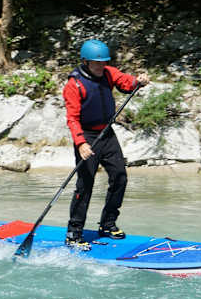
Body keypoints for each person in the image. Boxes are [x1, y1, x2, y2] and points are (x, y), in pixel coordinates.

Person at [62, 39, 149, 251]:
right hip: (87, 137)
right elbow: (72, 118)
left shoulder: (109, 73)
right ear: (85, 61)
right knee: (86, 184)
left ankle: (108, 224)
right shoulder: (74, 85)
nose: (100, 66)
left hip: (107, 134)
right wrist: (81, 143)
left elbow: (126, 83)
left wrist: (138, 80)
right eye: (96, 63)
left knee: (120, 177)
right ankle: (74, 233)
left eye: (103, 62)